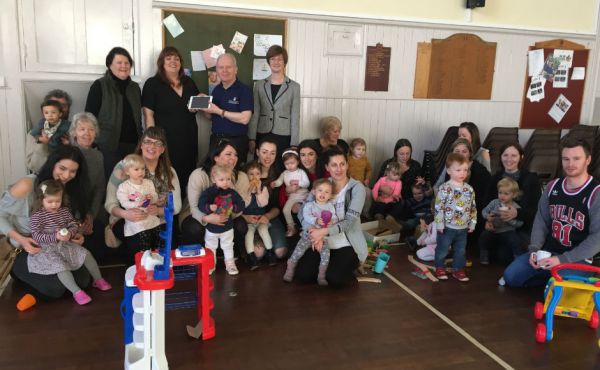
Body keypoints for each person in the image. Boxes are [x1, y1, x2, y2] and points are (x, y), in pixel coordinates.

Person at [503, 139, 600, 288]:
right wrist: (534, 249)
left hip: (577, 258)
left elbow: (597, 239)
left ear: (588, 160)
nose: (570, 164)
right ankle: (551, 280)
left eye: (576, 158)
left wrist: (562, 259)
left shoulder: (596, 193)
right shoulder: (552, 186)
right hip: (548, 252)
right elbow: (541, 220)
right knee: (511, 277)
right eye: (566, 159)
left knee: (559, 291)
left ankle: (556, 282)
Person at [2, 145, 93, 299]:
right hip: (28, 246)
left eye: (73, 171)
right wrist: (22, 240)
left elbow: (68, 222)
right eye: (62, 168)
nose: (66, 175)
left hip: (55, 245)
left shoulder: (71, 188)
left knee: (83, 280)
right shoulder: (27, 185)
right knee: (55, 289)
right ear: (52, 164)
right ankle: (19, 272)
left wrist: (76, 234)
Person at [293, 146, 367, 288]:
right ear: (327, 167)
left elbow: (350, 222)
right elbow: (302, 211)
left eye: (342, 164)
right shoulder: (322, 185)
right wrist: (313, 232)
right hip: (320, 240)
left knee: (334, 279)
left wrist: (323, 231)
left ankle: (351, 264)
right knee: (303, 275)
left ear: (347, 165)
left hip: (346, 242)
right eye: (334, 165)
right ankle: (329, 264)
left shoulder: (357, 188)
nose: (338, 169)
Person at [29, 180, 111, 305]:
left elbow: (73, 224)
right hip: (47, 249)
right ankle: (76, 292)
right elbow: (36, 235)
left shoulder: (64, 211)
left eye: (57, 201)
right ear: (41, 200)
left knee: (86, 254)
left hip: (65, 244)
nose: (54, 204)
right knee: (60, 266)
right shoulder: (37, 216)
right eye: (50, 201)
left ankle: (98, 279)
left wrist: (70, 233)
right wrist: (54, 237)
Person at [105, 127, 181, 250]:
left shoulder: (169, 172)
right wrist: (125, 213)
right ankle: (134, 269)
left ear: (162, 149)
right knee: (138, 242)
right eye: (148, 141)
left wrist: (158, 211)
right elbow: (110, 203)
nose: (152, 146)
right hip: (126, 218)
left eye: (158, 143)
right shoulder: (123, 166)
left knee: (168, 245)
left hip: (157, 219)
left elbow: (176, 207)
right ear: (141, 144)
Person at [142, 46, 200, 196]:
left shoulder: (189, 82)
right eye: (168, 58)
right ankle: (167, 216)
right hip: (166, 142)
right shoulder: (152, 84)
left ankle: (182, 214)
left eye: (176, 58)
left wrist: (198, 105)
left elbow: (197, 107)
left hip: (188, 139)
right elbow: (148, 115)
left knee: (186, 178)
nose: (173, 61)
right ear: (161, 62)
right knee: (167, 179)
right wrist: (152, 142)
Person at [181, 140, 250, 261]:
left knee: (241, 225)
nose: (233, 158)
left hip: (227, 216)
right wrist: (207, 218)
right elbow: (194, 207)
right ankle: (198, 258)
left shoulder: (242, 177)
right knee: (194, 228)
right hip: (196, 215)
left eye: (235, 155)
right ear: (216, 157)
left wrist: (229, 183)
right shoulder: (199, 175)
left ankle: (228, 256)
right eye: (228, 154)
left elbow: (241, 205)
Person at [85, 47, 142, 181]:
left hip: (133, 145)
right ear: (110, 65)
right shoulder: (99, 86)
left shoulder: (135, 88)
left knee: (133, 185)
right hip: (108, 146)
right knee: (111, 184)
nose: (124, 66)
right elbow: (89, 117)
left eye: (127, 63)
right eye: (119, 62)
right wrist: (92, 143)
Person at [248, 45, 301, 169]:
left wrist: (294, 144)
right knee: (260, 168)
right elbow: (255, 113)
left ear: (285, 62)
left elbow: (295, 115)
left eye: (280, 59)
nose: (276, 62)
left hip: (283, 134)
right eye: (273, 59)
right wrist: (252, 137)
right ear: (268, 62)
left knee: (280, 168)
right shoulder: (259, 85)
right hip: (262, 132)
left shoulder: (294, 86)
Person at [482, 142, 541, 247]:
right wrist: (487, 220)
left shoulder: (531, 179)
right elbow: (486, 204)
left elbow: (536, 210)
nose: (509, 159)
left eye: (514, 155)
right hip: (498, 227)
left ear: (521, 157)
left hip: (522, 227)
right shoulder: (494, 179)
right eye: (505, 155)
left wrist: (517, 213)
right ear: (501, 157)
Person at [200, 53, 253, 164]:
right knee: (214, 176)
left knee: (235, 177)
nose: (224, 70)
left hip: (237, 141)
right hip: (216, 141)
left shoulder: (244, 90)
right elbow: (210, 116)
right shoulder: (216, 90)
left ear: (236, 69)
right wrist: (203, 107)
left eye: (228, 67)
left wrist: (219, 111)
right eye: (221, 67)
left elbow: (245, 119)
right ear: (217, 71)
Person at [284, 179, 338, 286]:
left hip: (323, 236)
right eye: (320, 190)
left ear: (330, 195)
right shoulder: (310, 205)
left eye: (327, 192)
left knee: (326, 255)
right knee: (298, 251)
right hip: (308, 235)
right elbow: (306, 216)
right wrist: (316, 220)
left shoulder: (330, 206)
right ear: (314, 192)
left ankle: (321, 276)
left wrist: (332, 221)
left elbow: (335, 217)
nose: (323, 194)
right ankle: (290, 269)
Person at [433, 153, 477, 282]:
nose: (462, 173)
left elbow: (473, 207)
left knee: (460, 251)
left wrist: (472, 223)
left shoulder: (469, 189)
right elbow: (439, 207)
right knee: (442, 249)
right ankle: (439, 267)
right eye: (458, 170)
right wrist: (439, 224)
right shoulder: (445, 188)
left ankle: (458, 269)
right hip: (447, 227)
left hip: (462, 228)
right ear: (449, 171)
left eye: (465, 170)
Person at [198, 165, 245, 275]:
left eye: (228, 179)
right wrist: (209, 207)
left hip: (227, 227)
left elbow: (241, 203)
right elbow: (200, 204)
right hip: (212, 228)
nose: (225, 182)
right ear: (214, 179)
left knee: (228, 246)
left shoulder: (232, 193)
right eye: (221, 179)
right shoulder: (209, 192)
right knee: (210, 247)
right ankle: (211, 264)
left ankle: (230, 264)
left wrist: (235, 208)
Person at [116, 154, 162, 261]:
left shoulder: (148, 183)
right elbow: (124, 203)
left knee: (158, 236)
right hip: (137, 221)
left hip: (151, 218)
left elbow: (155, 197)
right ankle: (146, 259)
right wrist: (137, 204)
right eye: (136, 169)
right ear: (127, 171)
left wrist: (152, 198)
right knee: (144, 240)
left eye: (143, 169)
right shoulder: (124, 187)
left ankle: (158, 258)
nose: (141, 172)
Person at [253, 140, 288, 260]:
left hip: (271, 216)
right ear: (257, 152)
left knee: (280, 252)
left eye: (272, 153)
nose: (268, 157)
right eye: (264, 152)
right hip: (250, 219)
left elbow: (278, 206)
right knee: (258, 254)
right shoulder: (248, 171)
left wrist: (267, 217)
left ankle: (272, 244)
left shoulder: (278, 175)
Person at [479, 177, 524, 265]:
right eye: (500, 193)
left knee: (515, 240)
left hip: (508, 231)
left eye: (506, 194)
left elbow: (520, 224)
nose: (502, 196)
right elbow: (484, 211)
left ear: (514, 195)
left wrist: (509, 220)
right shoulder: (494, 202)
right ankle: (484, 254)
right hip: (493, 230)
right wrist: (487, 217)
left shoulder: (516, 207)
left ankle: (518, 258)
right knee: (484, 236)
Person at [69, 112, 105, 221]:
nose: (87, 133)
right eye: (82, 129)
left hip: (91, 211)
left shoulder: (98, 155)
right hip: (68, 212)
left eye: (91, 129)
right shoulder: (66, 153)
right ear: (74, 132)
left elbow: (99, 188)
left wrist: (91, 215)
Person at [270, 148, 310, 237]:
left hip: (303, 195)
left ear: (298, 161)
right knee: (285, 210)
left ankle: (307, 228)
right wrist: (275, 183)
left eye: (292, 163)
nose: (290, 166)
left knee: (306, 210)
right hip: (292, 197)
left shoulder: (301, 172)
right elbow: (280, 181)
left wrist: (298, 183)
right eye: (287, 164)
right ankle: (291, 227)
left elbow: (307, 183)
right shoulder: (285, 173)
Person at [241, 161, 272, 270]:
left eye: (257, 174)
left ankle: (270, 253)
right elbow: (243, 204)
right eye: (251, 174)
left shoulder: (264, 189)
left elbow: (263, 203)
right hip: (248, 220)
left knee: (264, 231)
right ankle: (251, 257)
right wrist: (249, 191)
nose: (255, 176)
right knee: (248, 234)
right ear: (246, 175)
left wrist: (258, 191)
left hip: (260, 219)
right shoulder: (244, 189)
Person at [26, 100, 71, 173]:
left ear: (60, 114)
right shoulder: (42, 123)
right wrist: (40, 139)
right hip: (46, 151)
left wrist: (68, 142)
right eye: (46, 113)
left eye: (53, 112)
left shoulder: (66, 125)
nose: (50, 115)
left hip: (60, 150)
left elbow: (73, 135)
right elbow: (33, 134)